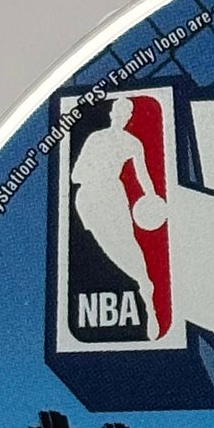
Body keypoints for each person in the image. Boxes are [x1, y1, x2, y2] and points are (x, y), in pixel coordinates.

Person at [69, 97, 167, 338]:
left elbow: (143, 175)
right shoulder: (96, 138)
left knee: (127, 243)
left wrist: (152, 197)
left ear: (129, 117)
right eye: (119, 111)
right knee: (106, 246)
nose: (121, 116)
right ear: (112, 113)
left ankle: (147, 293)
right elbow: (75, 175)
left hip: (113, 195)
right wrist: (96, 172)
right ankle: (141, 284)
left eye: (126, 112)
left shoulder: (132, 143)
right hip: (89, 198)